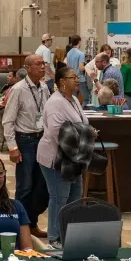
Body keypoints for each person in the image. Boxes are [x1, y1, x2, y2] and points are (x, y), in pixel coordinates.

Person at [0, 54, 52, 237]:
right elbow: (8, 120)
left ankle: (32, 223)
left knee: (42, 185)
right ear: (28, 68)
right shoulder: (18, 89)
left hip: (42, 139)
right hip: (25, 141)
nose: (42, 67)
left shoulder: (45, 87)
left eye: (43, 64)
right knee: (25, 186)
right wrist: (13, 147)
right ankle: (17, 227)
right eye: (38, 64)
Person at [38, 67, 92, 243]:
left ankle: (68, 235)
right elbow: (56, 131)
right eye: (73, 77)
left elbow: (82, 123)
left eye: (78, 77)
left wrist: (88, 131)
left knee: (75, 197)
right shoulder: (55, 102)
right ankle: (54, 237)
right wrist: (86, 134)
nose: (77, 80)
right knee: (59, 197)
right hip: (57, 158)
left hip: (74, 158)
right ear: (61, 81)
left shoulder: (74, 99)